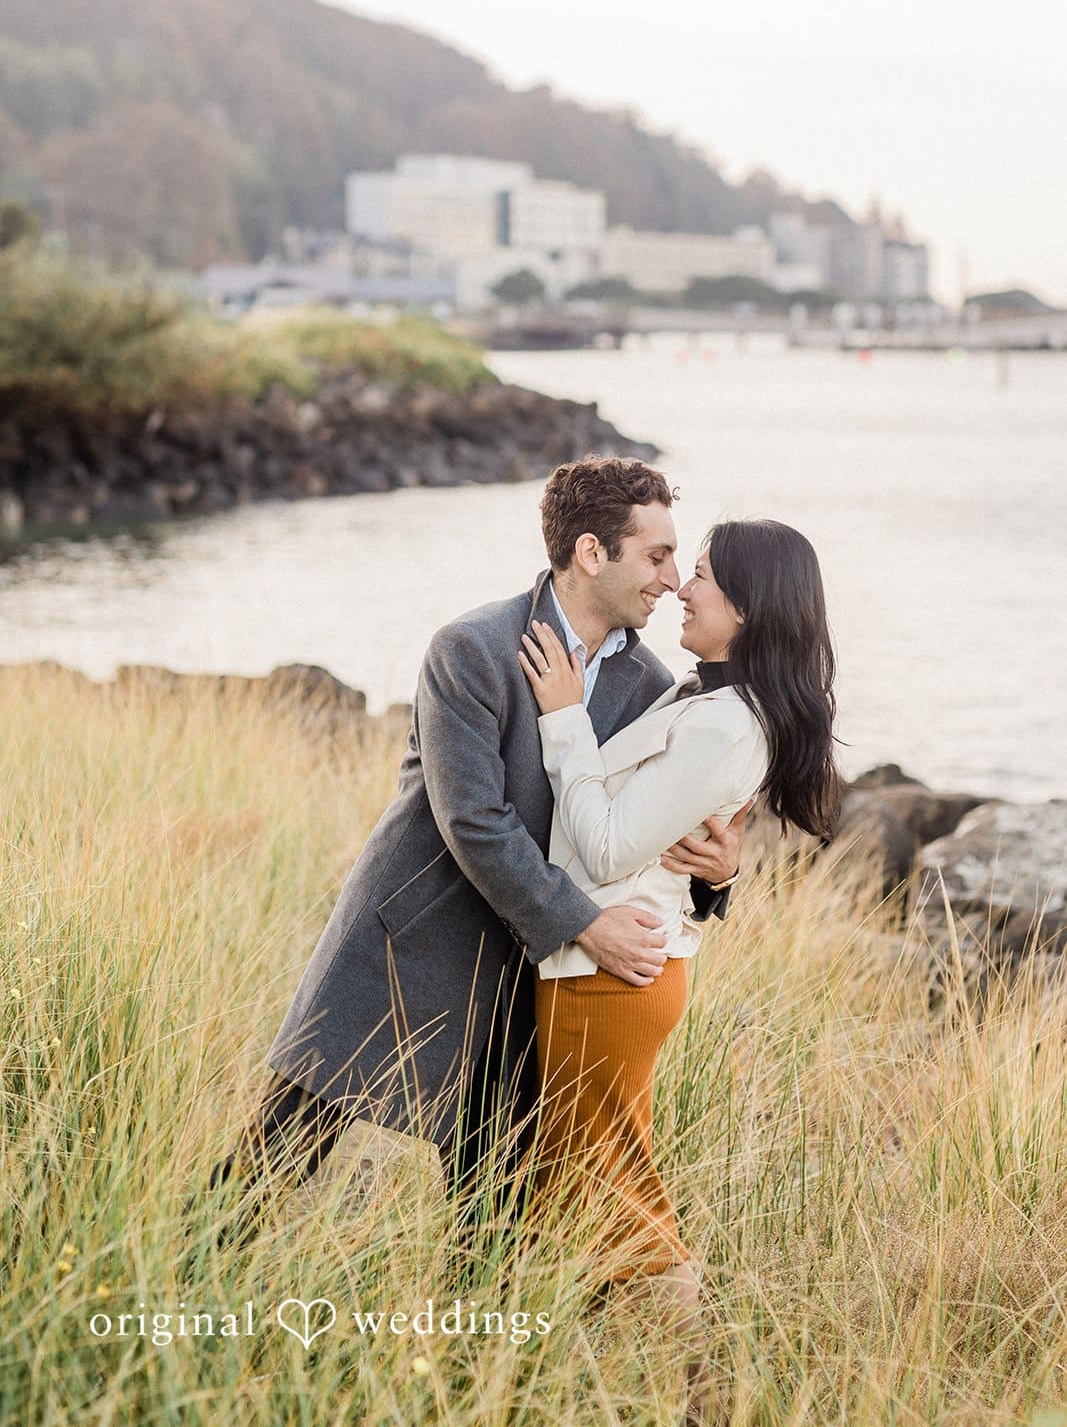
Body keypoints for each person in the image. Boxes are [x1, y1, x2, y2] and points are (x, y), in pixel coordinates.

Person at [201, 457, 749, 1248]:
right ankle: (180, 1296)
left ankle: (467, 1365)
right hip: (411, 944)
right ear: (592, 553)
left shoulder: (652, 684)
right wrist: (586, 924)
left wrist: (716, 879)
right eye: (656, 556)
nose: (669, 579)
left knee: (490, 1218)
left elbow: (651, 823)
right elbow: (475, 823)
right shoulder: (472, 648)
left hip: (526, 975)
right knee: (273, 1160)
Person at [517, 518, 843, 1423]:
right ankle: (583, 1385)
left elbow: (611, 843)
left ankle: (704, 1394)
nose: (680, 589)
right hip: (610, 968)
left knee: (615, 1194)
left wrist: (560, 719)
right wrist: (718, 876)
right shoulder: (702, 698)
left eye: (698, 575)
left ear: (748, 607)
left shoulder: (727, 727)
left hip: (604, 973)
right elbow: (667, 842)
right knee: (574, 1188)